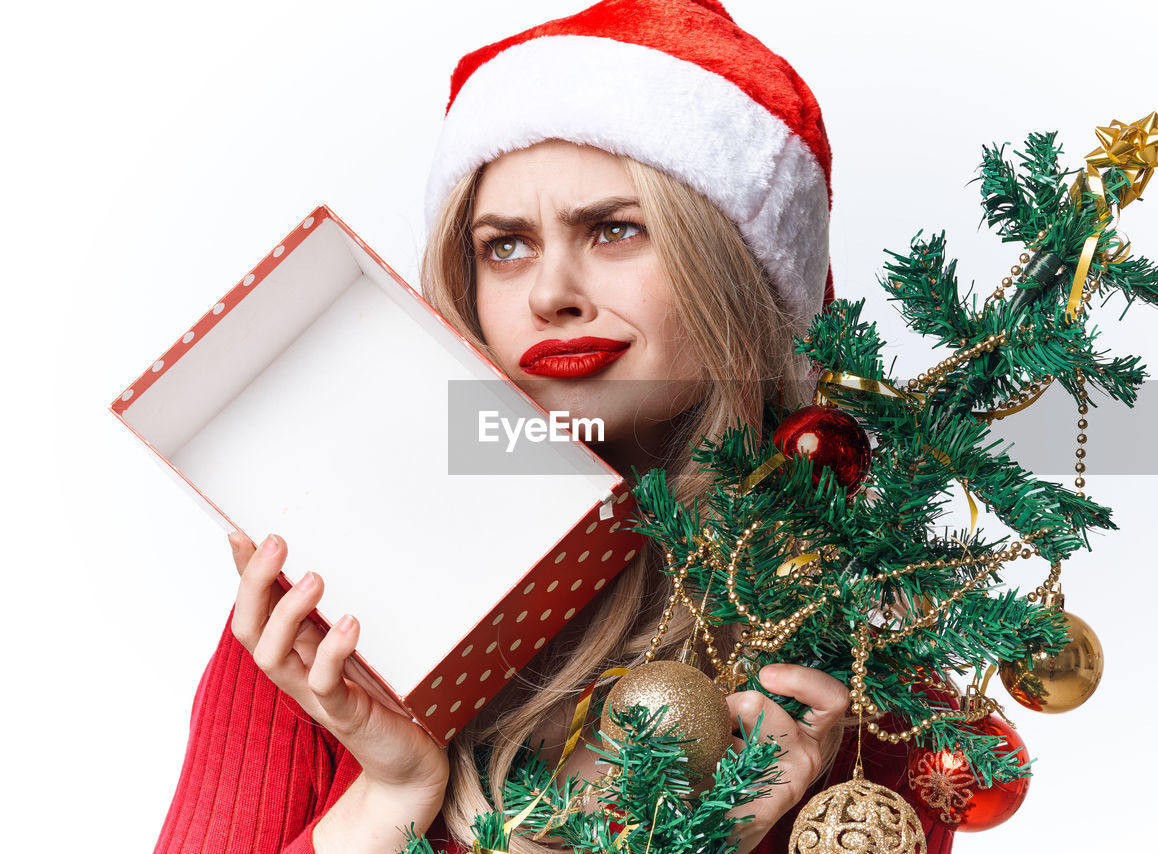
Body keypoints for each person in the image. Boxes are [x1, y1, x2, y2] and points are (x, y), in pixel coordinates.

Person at [153, 2, 954, 853]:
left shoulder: (843, 658)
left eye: (615, 230)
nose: (549, 294)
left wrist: (721, 838)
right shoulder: (325, 623)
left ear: (730, 270)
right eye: (506, 246)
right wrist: (389, 798)